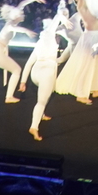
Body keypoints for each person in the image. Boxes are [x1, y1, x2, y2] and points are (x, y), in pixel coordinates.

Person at [19, 10, 69, 140]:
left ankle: (41, 115)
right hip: (46, 72)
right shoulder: (49, 36)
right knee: (41, 101)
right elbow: (57, 17)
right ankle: (34, 127)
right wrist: (63, 16)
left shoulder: (39, 44)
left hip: (35, 73)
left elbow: (29, 64)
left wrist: (23, 82)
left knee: (44, 96)